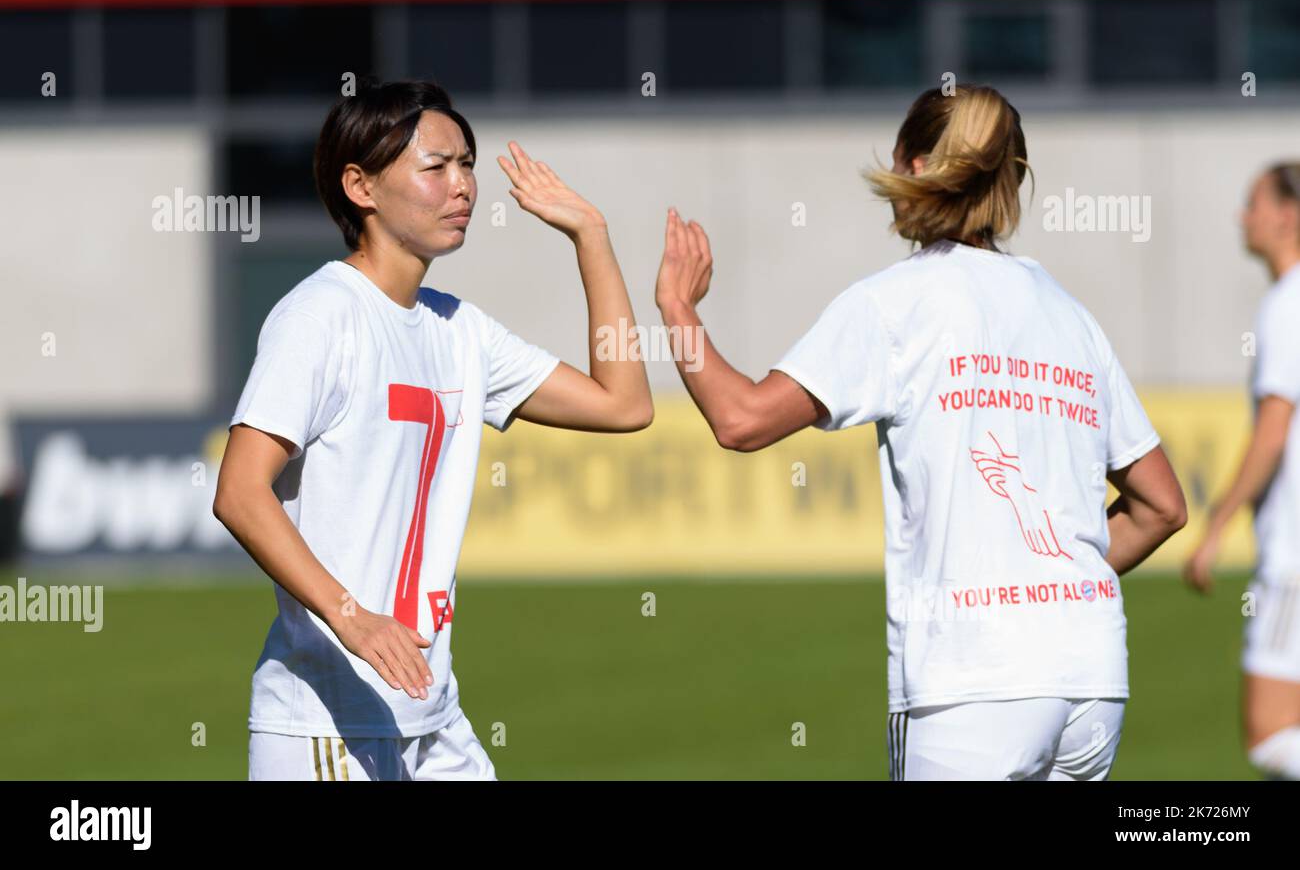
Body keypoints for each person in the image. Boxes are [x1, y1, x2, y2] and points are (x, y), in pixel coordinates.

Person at [653, 83, 1186, 780]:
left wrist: (675, 307)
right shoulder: (1071, 316)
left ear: (911, 165)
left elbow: (741, 418)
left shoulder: (896, 301)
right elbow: (1163, 506)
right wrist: (1055, 582)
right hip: (1091, 680)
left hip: (972, 688)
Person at [213, 79, 652, 781]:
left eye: (468, 164)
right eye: (437, 166)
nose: (463, 186)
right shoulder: (319, 316)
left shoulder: (459, 327)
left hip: (432, 717)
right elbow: (238, 492)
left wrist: (591, 236)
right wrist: (353, 617)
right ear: (360, 186)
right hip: (326, 724)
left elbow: (624, 402)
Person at [1184, 162, 1300, 779]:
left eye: (1253, 203)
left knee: (1270, 737)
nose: (1242, 216)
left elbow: (1273, 432)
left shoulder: (1288, 304)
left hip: (1292, 561)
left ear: (1288, 215)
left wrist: (1215, 527)